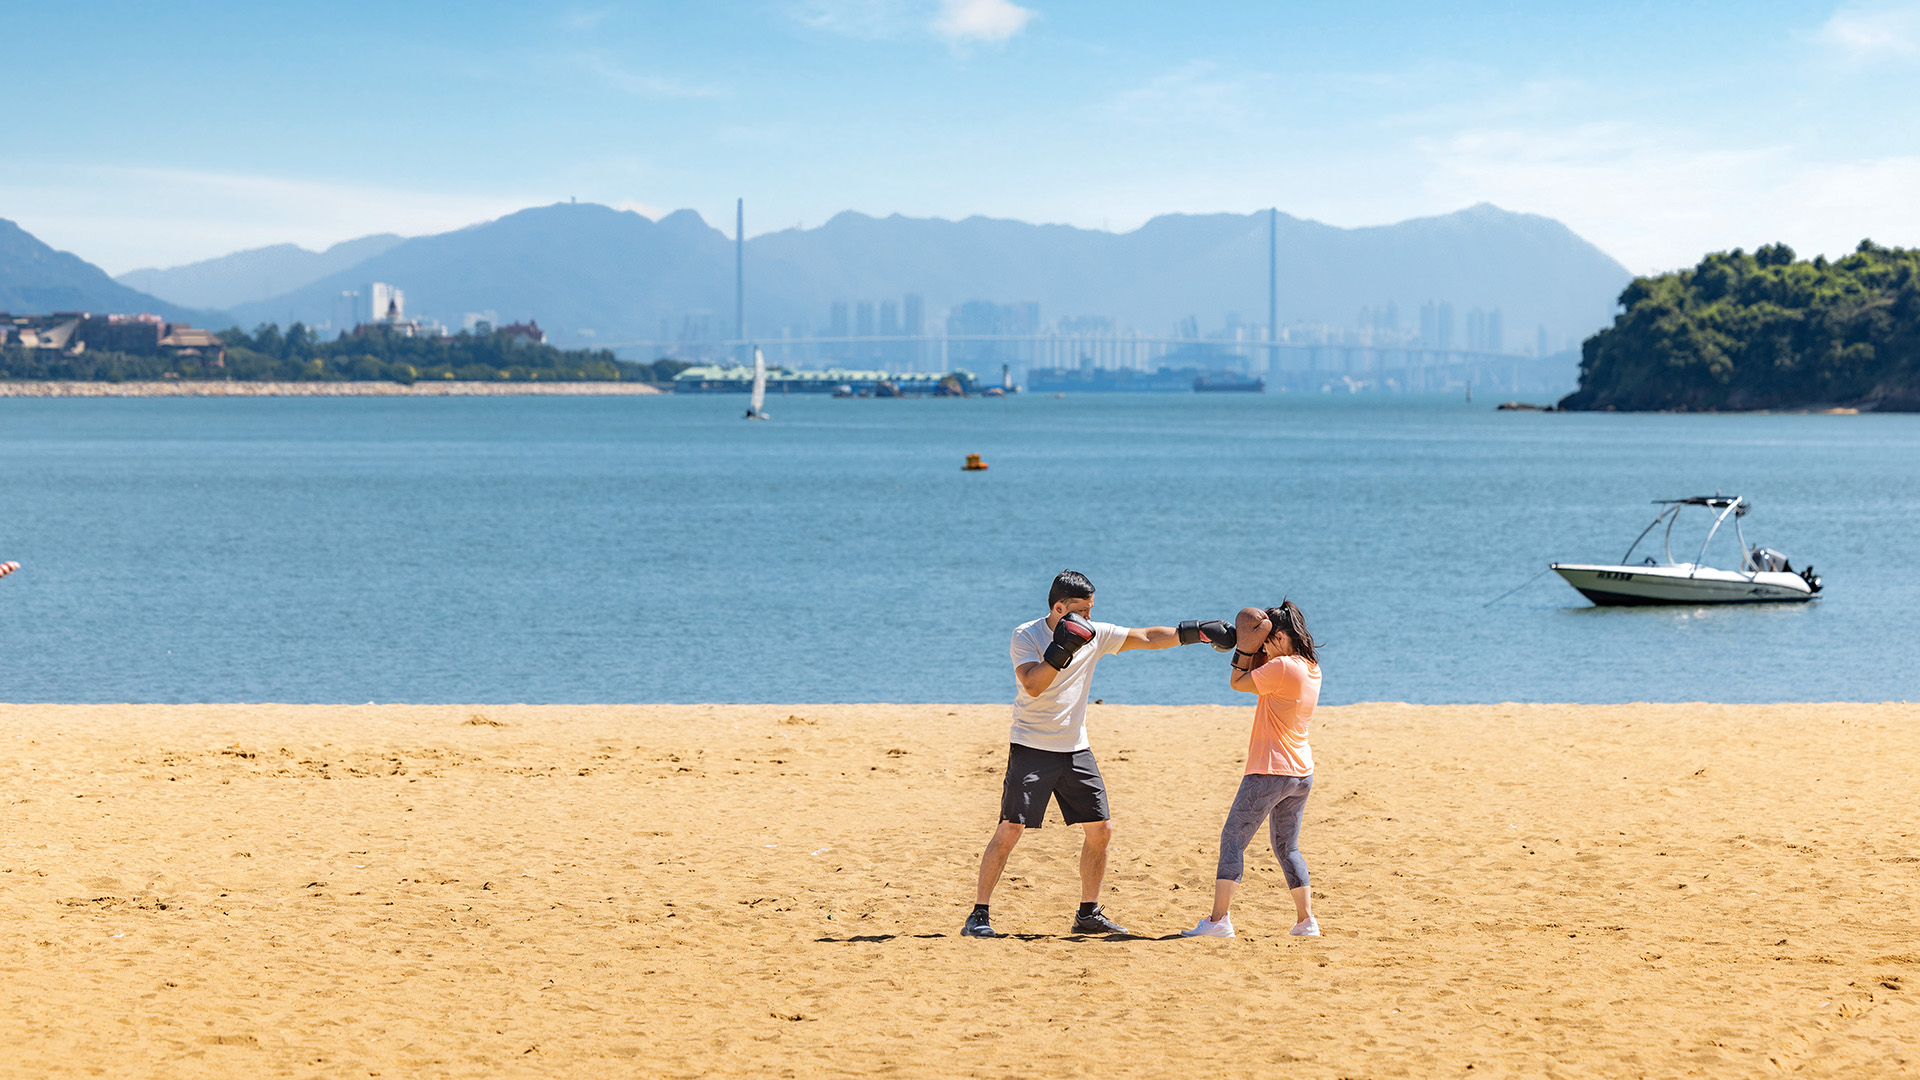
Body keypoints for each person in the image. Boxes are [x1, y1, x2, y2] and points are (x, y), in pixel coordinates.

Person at [963, 569, 1232, 939]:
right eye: (1081, 611)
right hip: (1032, 747)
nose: (1088, 618)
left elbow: (1148, 637)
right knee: (1011, 830)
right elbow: (1033, 685)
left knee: (1101, 830)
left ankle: (1088, 913)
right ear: (1059, 607)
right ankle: (979, 914)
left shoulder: (1095, 634)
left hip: (1075, 750)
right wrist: (1063, 649)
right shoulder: (1026, 635)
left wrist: (1196, 632)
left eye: (1091, 610)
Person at [1181, 601, 1322, 939]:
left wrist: (1244, 649)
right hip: (1301, 772)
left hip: (1270, 771)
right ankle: (1306, 922)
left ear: (1283, 637)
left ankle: (1218, 921)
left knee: (1232, 839)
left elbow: (1237, 682)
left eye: (1269, 640)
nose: (1265, 646)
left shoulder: (1283, 667)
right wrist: (1257, 648)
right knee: (1287, 847)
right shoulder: (1311, 666)